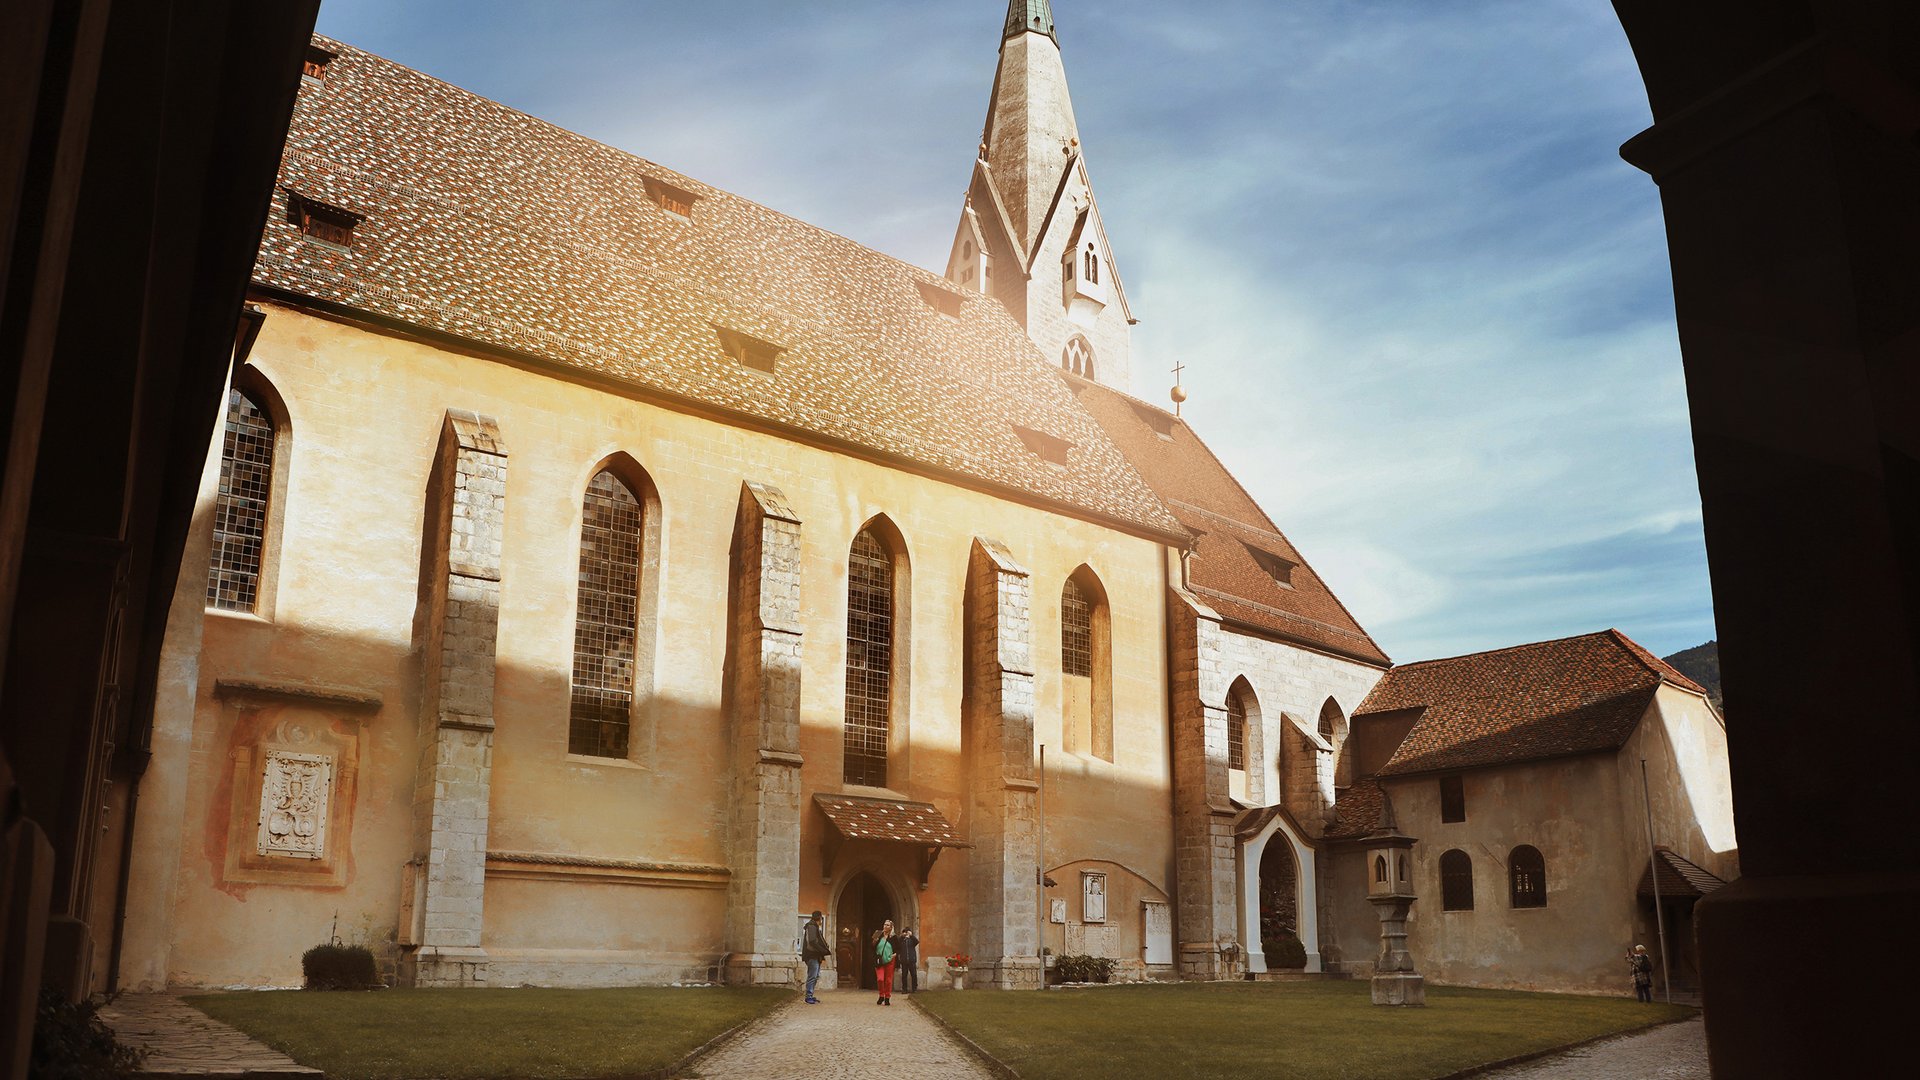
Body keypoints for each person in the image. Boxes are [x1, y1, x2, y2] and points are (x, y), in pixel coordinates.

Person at [801, 910, 830, 1004]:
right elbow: (812, 941)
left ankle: (810, 994)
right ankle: (808, 996)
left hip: (815, 955)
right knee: (812, 976)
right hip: (812, 955)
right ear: (819, 918)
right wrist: (822, 950)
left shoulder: (814, 926)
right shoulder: (812, 926)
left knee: (815, 976)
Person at [873, 920, 896, 1005]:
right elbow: (872, 947)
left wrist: (895, 955)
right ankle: (881, 995)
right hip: (879, 961)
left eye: (887, 925)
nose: (885, 926)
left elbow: (898, 948)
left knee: (888, 980)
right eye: (884, 924)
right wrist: (874, 941)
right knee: (880, 979)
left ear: (891, 927)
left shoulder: (893, 937)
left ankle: (887, 997)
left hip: (890, 961)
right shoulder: (879, 935)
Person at [892, 925, 920, 994]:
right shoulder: (901, 940)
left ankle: (914, 988)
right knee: (904, 975)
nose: (906, 933)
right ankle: (904, 989)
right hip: (904, 960)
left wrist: (911, 936)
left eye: (907, 932)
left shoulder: (912, 940)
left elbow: (917, 942)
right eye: (905, 932)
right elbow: (897, 944)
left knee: (914, 974)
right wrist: (902, 936)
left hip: (912, 960)